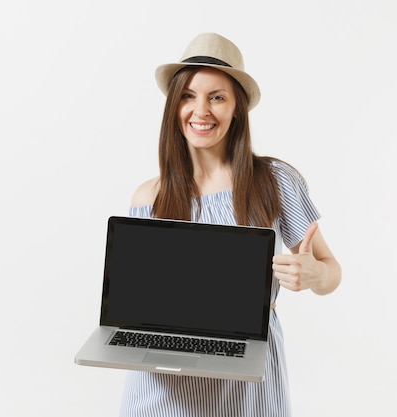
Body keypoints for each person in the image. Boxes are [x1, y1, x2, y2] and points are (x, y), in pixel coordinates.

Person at [119, 32, 342, 417]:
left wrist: (313, 275)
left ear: (237, 107)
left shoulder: (275, 181)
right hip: (162, 387)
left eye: (216, 97)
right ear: (174, 106)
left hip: (247, 379)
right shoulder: (148, 197)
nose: (200, 111)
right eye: (188, 95)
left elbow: (331, 271)